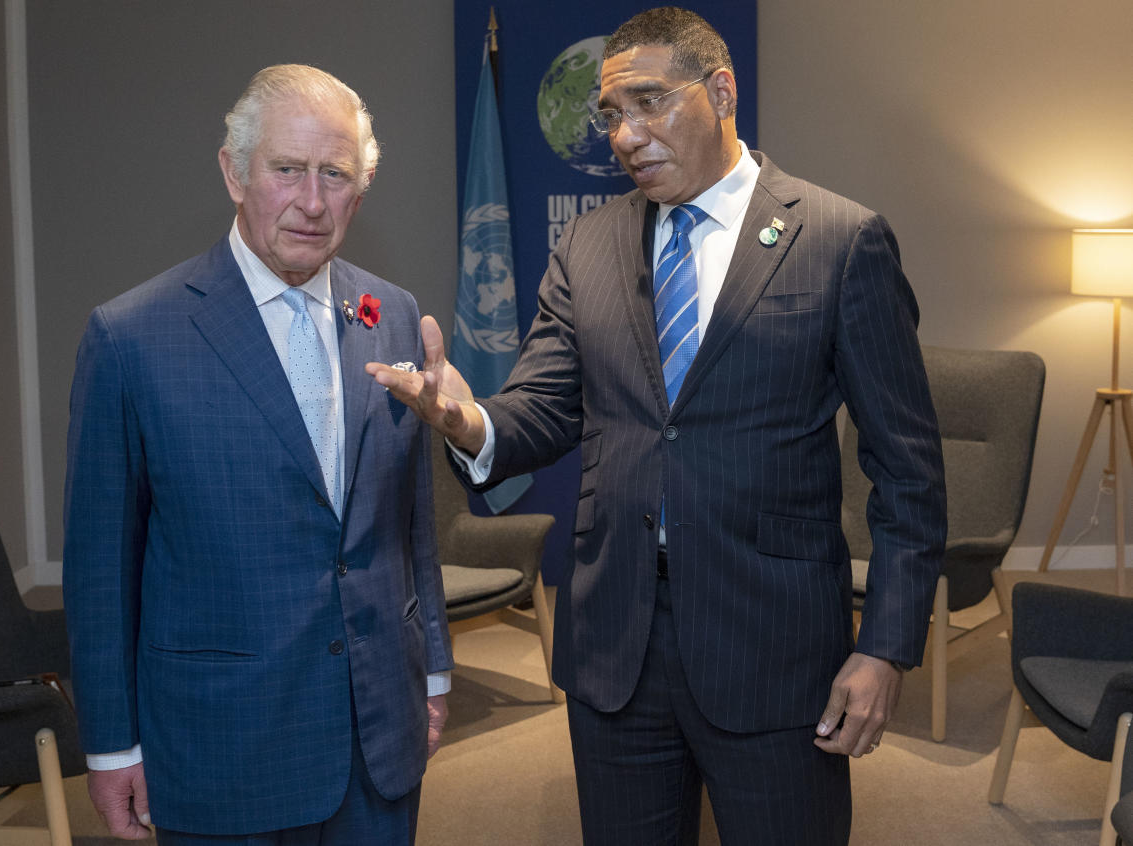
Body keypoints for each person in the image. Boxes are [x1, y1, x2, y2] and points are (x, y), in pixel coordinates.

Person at [368, 7, 945, 845]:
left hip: (774, 649)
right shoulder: (588, 248)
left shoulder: (838, 240)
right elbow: (540, 411)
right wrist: (467, 421)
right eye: (611, 115)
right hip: (615, 648)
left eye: (648, 102)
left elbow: (910, 473)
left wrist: (885, 646)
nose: (626, 135)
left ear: (721, 91)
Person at [64, 64, 452, 845]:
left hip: (377, 735)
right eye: (288, 170)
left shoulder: (394, 316)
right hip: (220, 749)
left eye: (335, 175)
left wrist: (431, 670)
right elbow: (102, 569)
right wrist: (110, 746)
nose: (313, 201)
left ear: (360, 190)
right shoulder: (131, 338)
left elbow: (408, 522)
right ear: (234, 172)